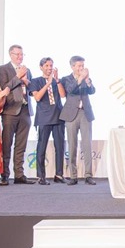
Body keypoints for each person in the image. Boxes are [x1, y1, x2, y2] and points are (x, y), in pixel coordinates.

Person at [0, 44, 35, 185]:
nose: (20, 57)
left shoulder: (27, 70)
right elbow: (4, 87)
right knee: (7, 144)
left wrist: (26, 81)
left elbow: (31, 90)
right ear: (10, 55)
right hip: (10, 111)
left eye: (22, 54)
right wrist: (18, 77)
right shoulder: (4, 69)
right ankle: (5, 175)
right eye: (17, 54)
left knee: (21, 145)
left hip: (25, 110)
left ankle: (19, 174)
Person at [59, 56, 96, 186]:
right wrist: (80, 79)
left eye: (82, 66)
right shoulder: (66, 79)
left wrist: (88, 80)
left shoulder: (86, 78)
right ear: (73, 66)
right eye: (79, 66)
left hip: (85, 113)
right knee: (72, 145)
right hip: (71, 115)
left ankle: (88, 175)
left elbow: (92, 91)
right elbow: (70, 90)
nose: (81, 68)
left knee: (87, 145)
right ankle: (73, 176)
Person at [29, 57, 66, 185]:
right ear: (41, 67)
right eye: (47, 66)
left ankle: (59, 174)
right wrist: (48, 84)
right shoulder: (35, 81)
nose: (49, 68)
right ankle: (41, 176)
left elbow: (62, 95)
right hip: (44, 117)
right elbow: (38, 97)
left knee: (60, 146)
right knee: (41, 146)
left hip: (59, 116)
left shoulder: (57, 81)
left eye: (51, 66)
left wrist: (57, 80)